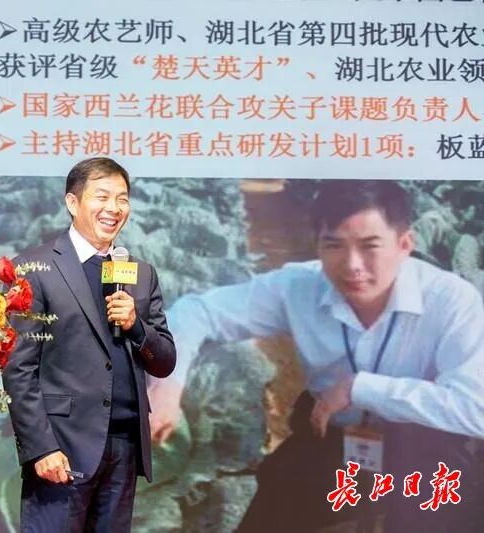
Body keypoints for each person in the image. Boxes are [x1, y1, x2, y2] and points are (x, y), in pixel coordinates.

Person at [164, 180, 484, 532]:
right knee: (271, 507)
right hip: (334, 436)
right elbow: (198, 311)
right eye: (333, 245)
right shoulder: (300, 287)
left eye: (370, 246)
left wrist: (360, 389)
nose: (352, 265)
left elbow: (475, 408)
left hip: (423, 449)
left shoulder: (450, 300)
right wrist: (167, 382)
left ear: (404, 244)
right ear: (317, 244)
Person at [2, 157, 177, 533]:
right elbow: (18, 368)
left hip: (124, 448)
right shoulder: (35, 269)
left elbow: (163, 361)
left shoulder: (140, 274)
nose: (114, 208)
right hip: (62, 448)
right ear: (72, 202)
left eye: (122, 199)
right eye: (102, 196)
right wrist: (41, 447)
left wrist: (136, 327)